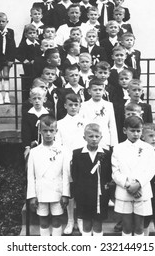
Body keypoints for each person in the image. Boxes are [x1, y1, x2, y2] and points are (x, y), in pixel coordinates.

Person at [112, 115, 155, 236]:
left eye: (138, 131)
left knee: (139, 227)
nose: (136, 134)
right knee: (126, 227)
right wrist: (128, 185)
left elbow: (151, 169)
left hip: (142, 191)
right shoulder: (118, 148)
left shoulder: (148, 148)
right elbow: (115, 172)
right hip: (124, 191)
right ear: (124, 130)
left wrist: (138, 184)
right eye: (132, 131)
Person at [26, 114, 70, 236]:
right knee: (43, 221)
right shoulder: (34, 152)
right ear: (40, 131)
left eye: (51, 131)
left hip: (57, 190)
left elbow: (65, 174)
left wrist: (66, 194)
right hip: (41, 192)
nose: (48, 134)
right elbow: (30, 176)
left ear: (56, 131)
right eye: (45, 131)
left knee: (57, 220)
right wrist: (32, 196)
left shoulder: (63, 150)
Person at [71, 123, 112, 236]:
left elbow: (109, 175)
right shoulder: (77, 154)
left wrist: (106, 189)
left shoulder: (107, 154)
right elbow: (75, 174)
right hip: (84, 194)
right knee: (86, 223)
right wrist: (78, 192)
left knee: (98, 224)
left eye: (96, 136)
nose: (94, 139)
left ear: (101, 137)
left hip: (100, 195)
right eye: (90, 136)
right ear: (84, 137)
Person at [57, 93, 85, 235]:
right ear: (65, 106)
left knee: (80, 190)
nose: (73, 107)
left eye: (76, 105)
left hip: (83, 160)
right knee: (69, 190)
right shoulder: (60, 124)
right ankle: (70, 220)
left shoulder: (85, 121)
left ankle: (80, 220)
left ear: (80, 105)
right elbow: (58, 144)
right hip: (67, 159)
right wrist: (66, 158)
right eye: (70, 105)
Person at [79, 78, 118, 149]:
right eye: (95, 90)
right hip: (88, 140)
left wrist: (113, 144)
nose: (98, 92)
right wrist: (82, 141)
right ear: (89, 91)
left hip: (104, 140)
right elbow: (81, 124)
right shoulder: (84, 105)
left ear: (104, 91)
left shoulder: (108, 105)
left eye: (100, 90)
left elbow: (112, 125)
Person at [21, 87, 49, 161]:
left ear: (44, 99)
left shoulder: (48, 114)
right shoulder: (27, 115)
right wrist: (27, 147)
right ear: (30, 100)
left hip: (47, 144)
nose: (37, 101)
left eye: (39, 98)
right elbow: (25, 132)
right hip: (32, 146)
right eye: (34, 98)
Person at [16, 24, 42, 101]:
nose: (32, 35)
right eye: (30, 33)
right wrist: (24, 60)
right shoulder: (24, 44)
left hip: (38, 67)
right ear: (26, 35)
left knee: (39, 83)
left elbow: (42, 54)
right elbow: (17, 54)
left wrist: (37, 60)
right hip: (29, 68)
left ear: (36, 34)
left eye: (34, 33)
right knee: (30, 83)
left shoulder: (39, 43)